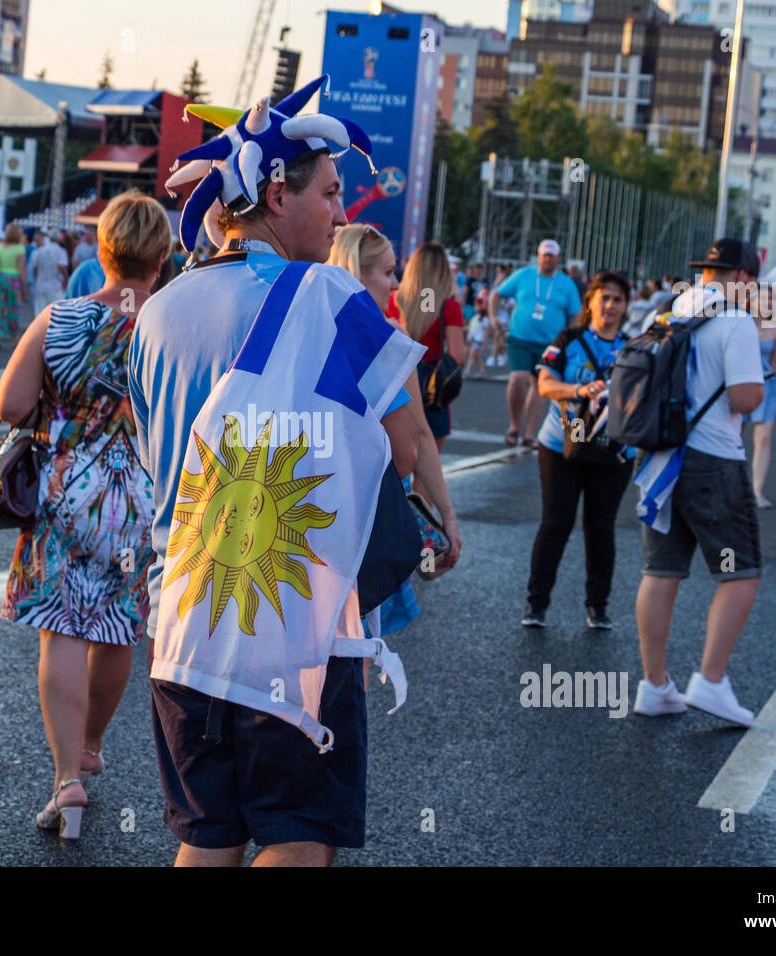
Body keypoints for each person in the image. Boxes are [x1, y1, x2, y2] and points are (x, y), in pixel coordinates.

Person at [129, 78, 421, 866]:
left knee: (209, 838)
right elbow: (404, 433)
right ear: (276, 191)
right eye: (329, 193)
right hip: (292, 616)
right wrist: (440, 516)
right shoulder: (325, 293)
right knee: (298, 832)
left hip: (184, 614)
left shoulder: (156, 311)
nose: (339, 215)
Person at [0, 191, 168, 839]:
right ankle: (93, 740)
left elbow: (11, 405)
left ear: (104, 249)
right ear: (161, 256)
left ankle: (67, 778)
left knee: (61, 631)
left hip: (66, 490)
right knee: (118, 627)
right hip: (140, 497)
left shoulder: (61, 316)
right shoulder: (169, 326)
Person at [631, 238, 764, 727]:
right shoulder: (735, 320)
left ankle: (655, 684)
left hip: (659, 459)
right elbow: (747, 398)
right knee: (741, 571)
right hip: (713, 461)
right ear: (744, 277)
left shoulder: (667, 311)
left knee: (661, 571)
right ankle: (710, 681)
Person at [327, 223, 461, 637]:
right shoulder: (390, 337)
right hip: (371, 514)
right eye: (387, 272)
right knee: (358, 648)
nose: (396, 283)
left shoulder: (307, 323)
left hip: (311, 511)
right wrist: (447, 515)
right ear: (356, 272)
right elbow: (417, 436)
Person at [522, 271, 635, 630]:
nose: (611, 305)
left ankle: (597, 608)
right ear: (590, 302)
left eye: (618, 298)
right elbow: (544, 384)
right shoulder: (569, 339)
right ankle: (536, 605)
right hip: (561, 445)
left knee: (601, 528)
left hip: (613, 451)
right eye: (604, 297)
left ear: (626, 306)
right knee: (556, 524)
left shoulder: (634, 348)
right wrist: (579, 391)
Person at [498, 239, 582, 447]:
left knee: (539, 385)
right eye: (544, 255)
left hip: (550, 344)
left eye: (552, 256)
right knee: (518, 379)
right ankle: (514, 426)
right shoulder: (524, 274)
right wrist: (493, 318)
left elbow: (575, 314)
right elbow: (496, 294)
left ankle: (528, 434)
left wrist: (570, 339)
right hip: (520, 338)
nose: (547, 259)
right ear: (539, 255)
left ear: (558, 258)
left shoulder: (566, 283)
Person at [390, 241, 466, 453]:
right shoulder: (447, 306)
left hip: (396, 381)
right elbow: (457, 357)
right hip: (431, 387)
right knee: (427, 460)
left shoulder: (393, 300)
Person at [747, 282, 776, 509]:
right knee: (734, 437)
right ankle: (733, 488)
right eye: (761, 299)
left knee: (764, 437)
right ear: (751, 302)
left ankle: (756, 491)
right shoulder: (741, 324)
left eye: (770, 300)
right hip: (742, 385)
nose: (766, 303)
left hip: (768, 385)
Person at [0, 223, 27, 349]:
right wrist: (24, 286)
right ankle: (15, 338)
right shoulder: (20, 248)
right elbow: (21, 268)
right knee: (13, 309)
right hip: (13, 280)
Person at [28, 228, 67, 314]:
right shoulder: (61, 251)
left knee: (40, 313)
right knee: (56, 313)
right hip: (55, 286)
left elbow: (35, 269)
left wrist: (37, 280)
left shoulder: (39, 250)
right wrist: (66, 280)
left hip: (41, 286)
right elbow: (62, 268)